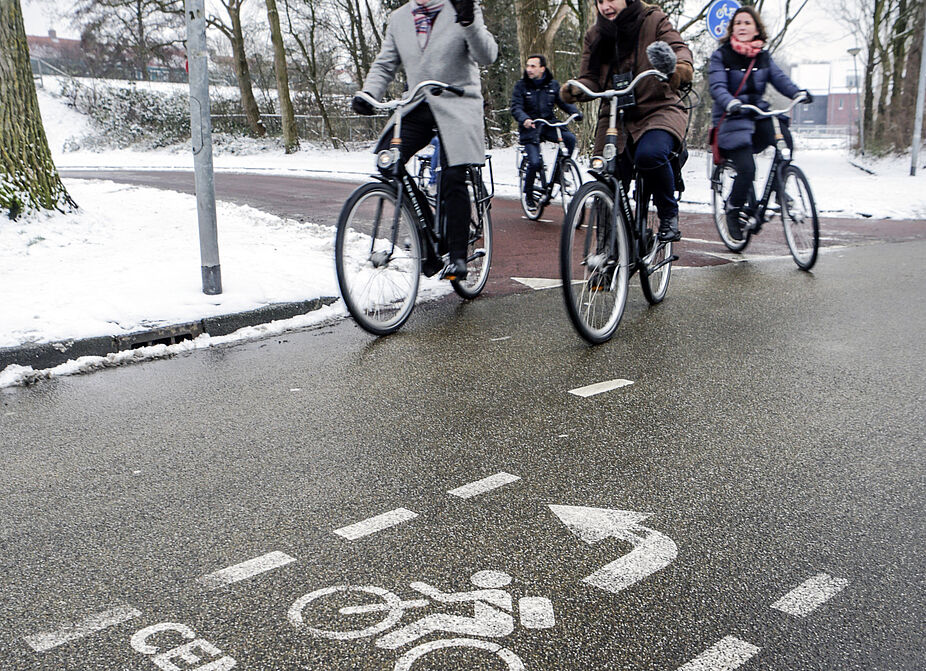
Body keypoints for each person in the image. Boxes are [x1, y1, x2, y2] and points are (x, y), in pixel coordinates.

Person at [351, 0, 497, 280]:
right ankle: (426, 237)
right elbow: (385, 63)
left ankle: (457, 255)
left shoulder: (460, 7)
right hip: (418, 104)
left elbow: (487, 55)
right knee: (388, 161)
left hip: (458, 102)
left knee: (453, 174)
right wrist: (369, 94)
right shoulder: (399, 18)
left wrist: (468, 21)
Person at [560, 0, 693, 242]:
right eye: (600, 1)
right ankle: (607, 252)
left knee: (650, 155)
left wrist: (678, 69)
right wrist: (576, 89)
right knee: (605, 175)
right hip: (614, 116)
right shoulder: (595, 35)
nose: (605, 6)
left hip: (657, 108)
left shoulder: (653, 20)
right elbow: (591, 78)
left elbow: (679, 51)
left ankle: (668, 215)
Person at [708, 6, 812, 241]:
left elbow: (780, 79)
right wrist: (729, 101)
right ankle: (733, 209)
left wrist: (798, 93)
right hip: (732, 118)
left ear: (756, 29)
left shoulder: (762, 56)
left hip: (757, 114)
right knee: (747, 169)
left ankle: (778, 190)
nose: (742, 27)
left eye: (747, 23)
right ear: (732, 29)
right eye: (738, 23)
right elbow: (717, 86)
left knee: (785, 141)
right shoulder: (721, 56)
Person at [510, 54, 582, 210]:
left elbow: (563, 102)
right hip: (530, 127)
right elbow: (516, 107)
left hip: (548, 125)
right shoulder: (521, 86)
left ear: (542, 68)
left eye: (533, 66)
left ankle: (559, 174)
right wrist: (525, 119)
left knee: (569, 139)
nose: (529, 69)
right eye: (528, 66)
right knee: (535, 162)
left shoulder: (552, 85)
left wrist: (575, 113)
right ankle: (528, 194)